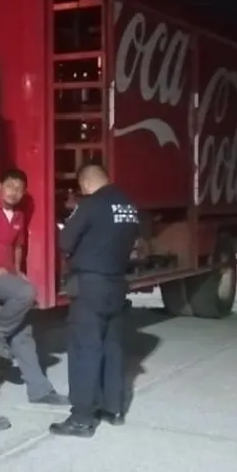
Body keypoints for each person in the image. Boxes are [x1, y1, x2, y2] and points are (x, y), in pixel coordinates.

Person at [0, 168, 68, 408]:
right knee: (27, 293)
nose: (14, 192)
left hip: (5, 277)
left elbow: (17, 246)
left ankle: (39, 390)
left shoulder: (18, 214)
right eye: (10, 186)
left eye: (19, 189)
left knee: (23, 332)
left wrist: (17, 270)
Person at [50, 163, 140, 439]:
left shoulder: (91, 204)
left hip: (91, 285)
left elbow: (65, 241)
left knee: (85, 348)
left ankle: (82, 417)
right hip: (117, 284)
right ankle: (113, 409)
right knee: (112, 346)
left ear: (86, 184)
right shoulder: (128, 205)